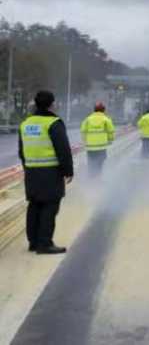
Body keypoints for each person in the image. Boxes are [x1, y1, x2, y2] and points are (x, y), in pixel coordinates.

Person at [18, 90, 74, 255]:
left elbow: (21, 151)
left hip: (31, 172)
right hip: (50, 172)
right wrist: (68, 170)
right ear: (52, 104)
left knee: (34, 204)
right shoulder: (53, 123)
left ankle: (33, 242)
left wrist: (27, 167)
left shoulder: (25, 123)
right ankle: (45, 244)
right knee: (49, 206)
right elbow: (63, 149)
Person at [80, 102, 115, 178]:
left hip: (90, 147)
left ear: (94, 110)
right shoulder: (106, 119)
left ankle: (91, 177)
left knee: (91, 163)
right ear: (103, 110)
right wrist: (110, 140)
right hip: (101, 147)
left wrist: (84, 140)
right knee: (100, 162)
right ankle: (98, 177)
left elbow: (83, 130)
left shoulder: (87, 119)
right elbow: (111, 131)